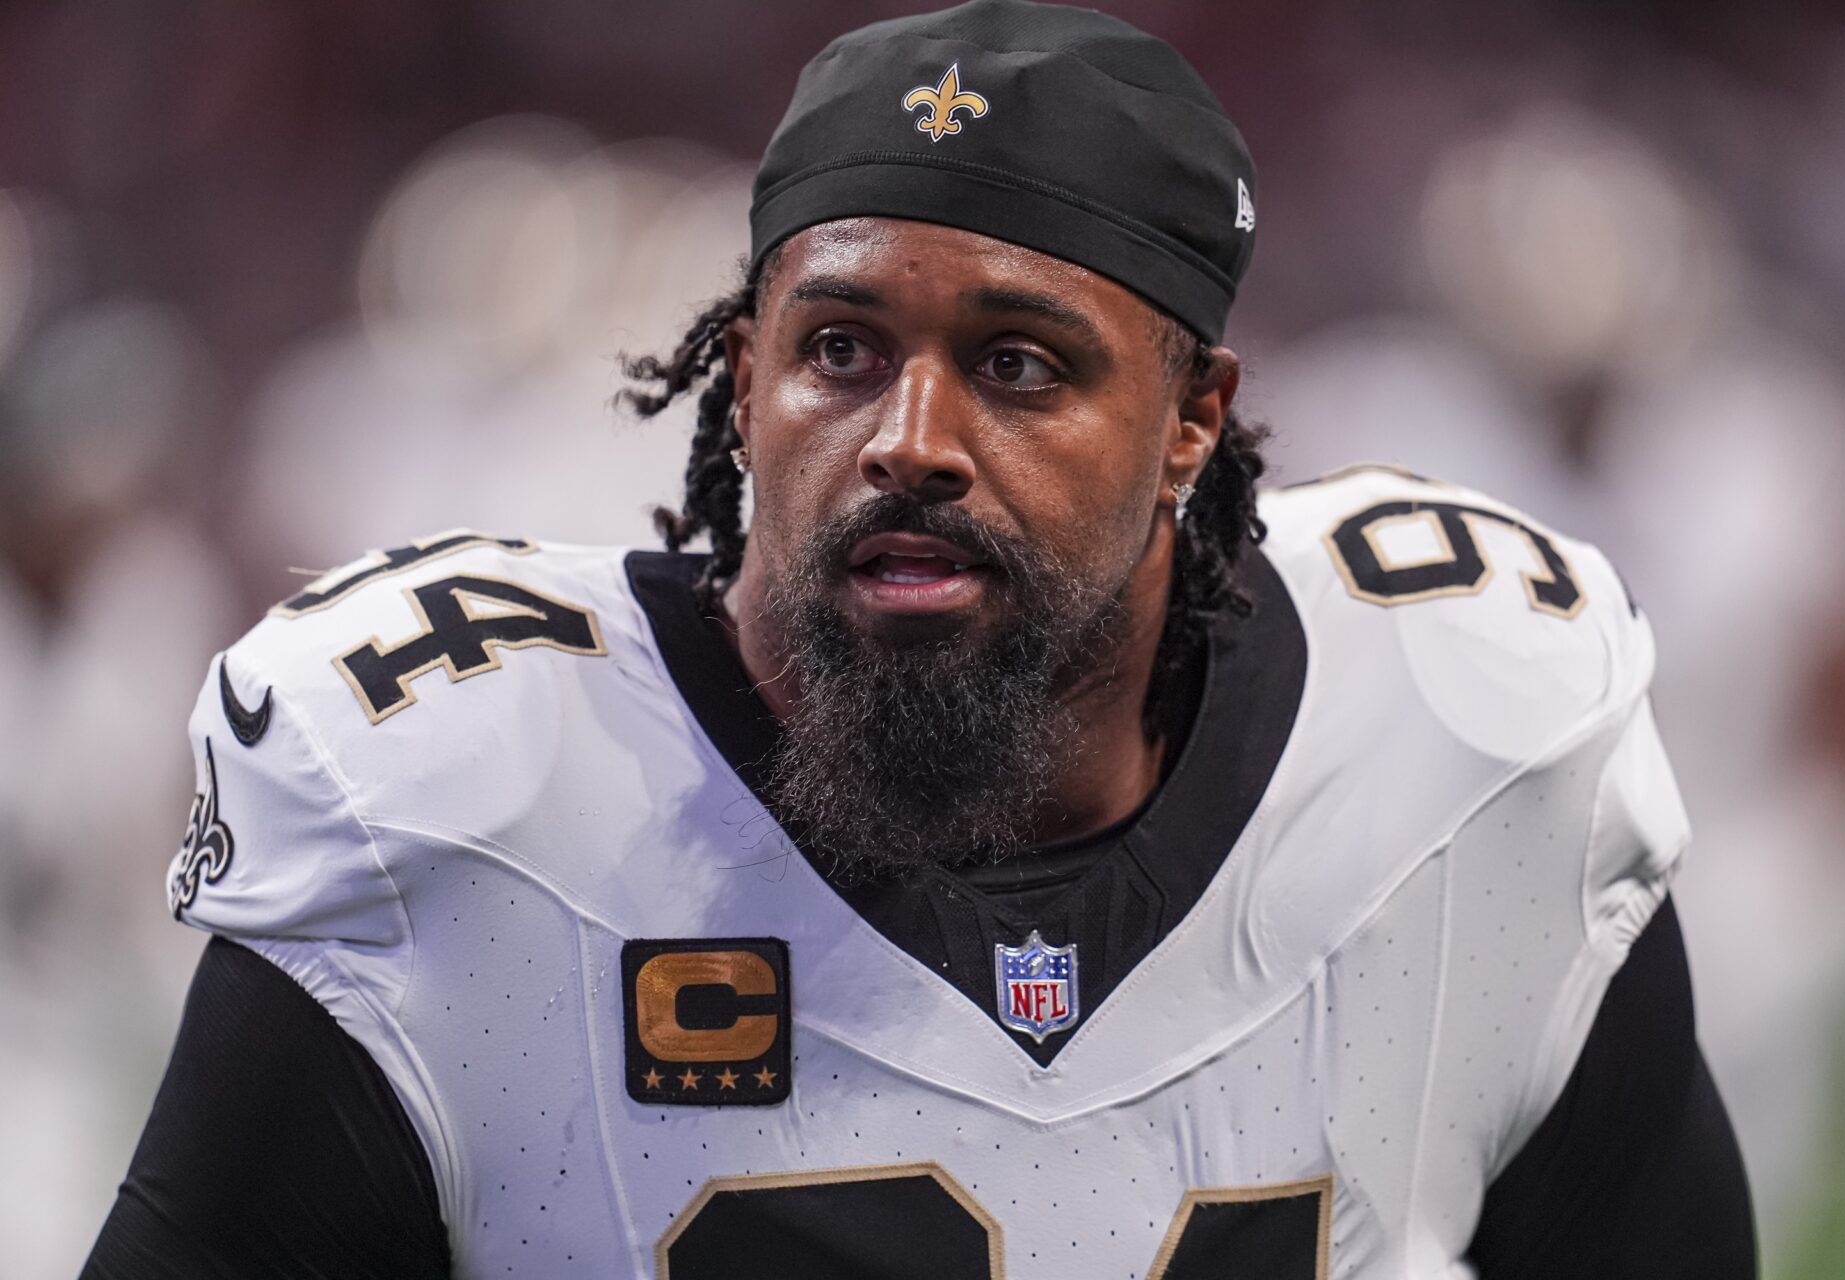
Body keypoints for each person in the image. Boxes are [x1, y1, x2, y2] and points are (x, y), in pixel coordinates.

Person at [84, 2, 1754, 1276]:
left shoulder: (1469, 735)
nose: (909, 437)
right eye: (841, 347)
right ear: (743, 378)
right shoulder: (459, 790)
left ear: (1191, 420)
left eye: (1022, 364)